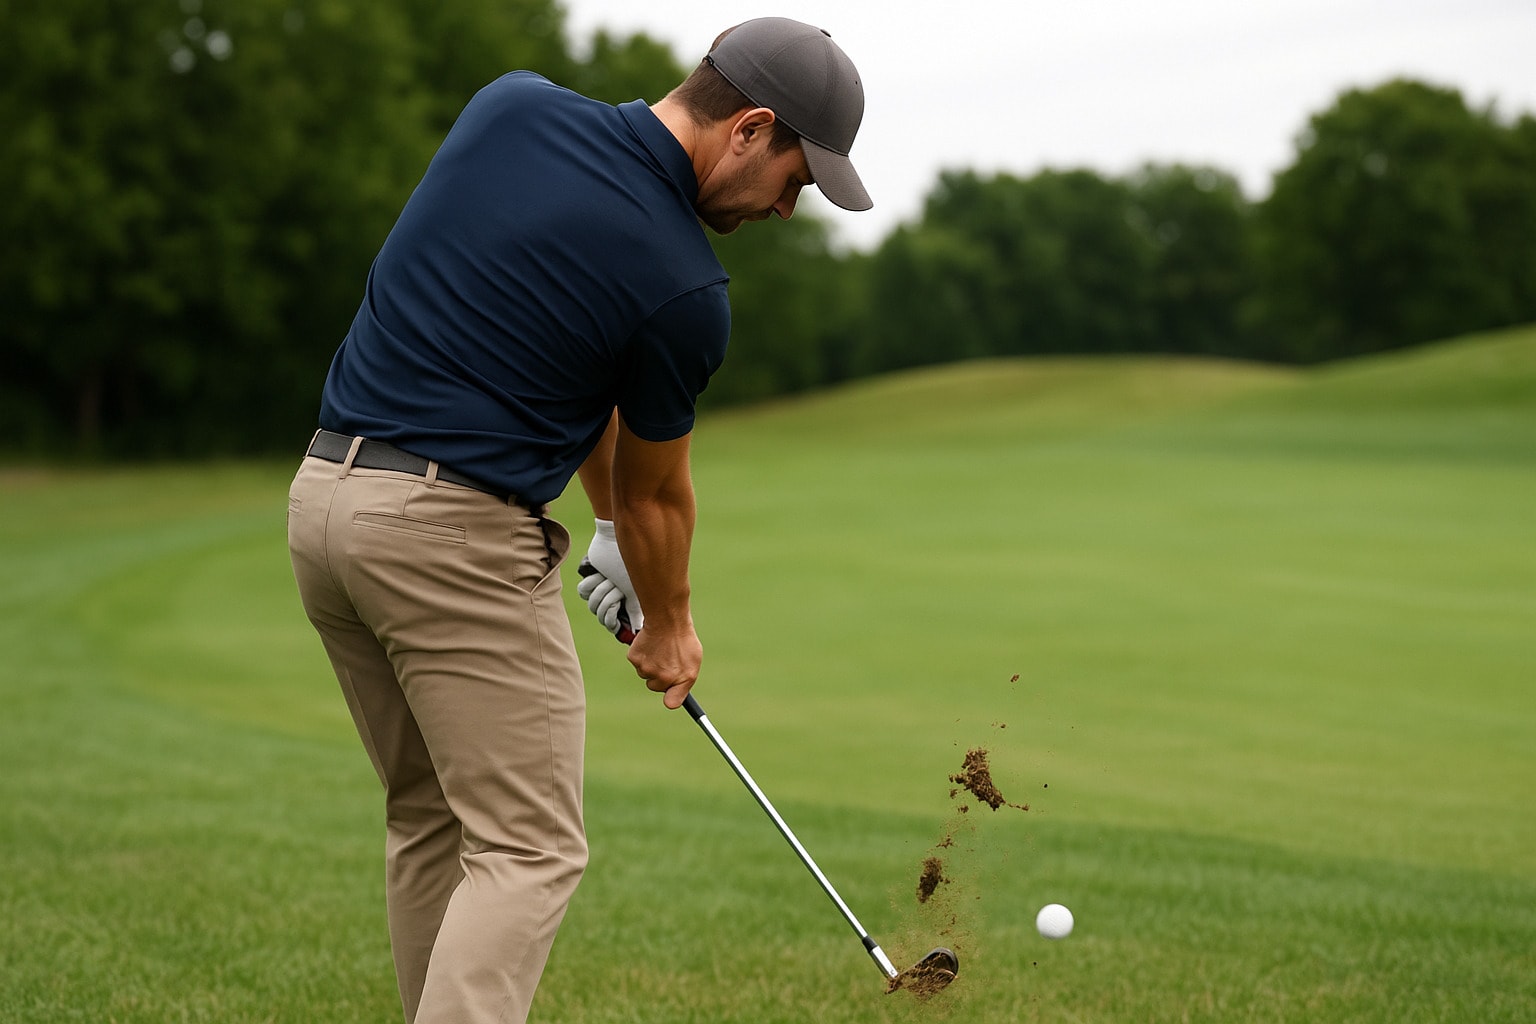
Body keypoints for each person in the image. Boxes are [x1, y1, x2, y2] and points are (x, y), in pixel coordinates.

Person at [286, 17, 871, 1024]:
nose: (786, 207)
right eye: (796, 178)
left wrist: (605, 535)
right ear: (750, 128)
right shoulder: (684, 287)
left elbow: (569, 371)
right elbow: (658, 495)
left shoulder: (509, 107)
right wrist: (670, 623)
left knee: (431, 817)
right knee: (529, 848)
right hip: (451, 543)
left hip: (325, 505)